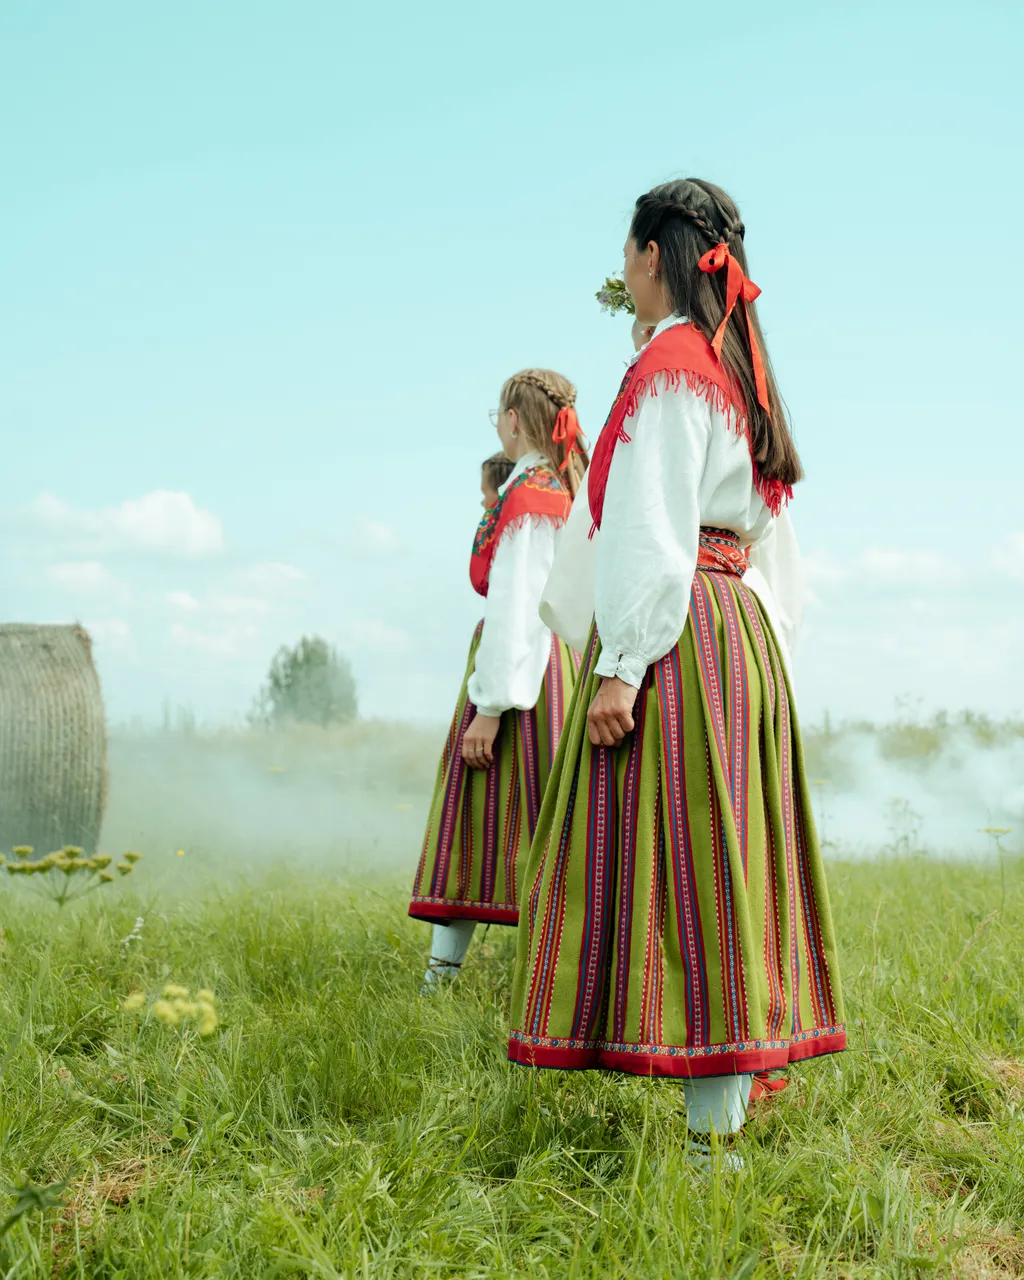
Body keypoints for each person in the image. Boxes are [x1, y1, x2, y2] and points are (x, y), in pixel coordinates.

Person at [508, 180, 845, 1160]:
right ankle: (723, 1121)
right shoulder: (739, 369)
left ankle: (711, 1149)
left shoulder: (671, 365)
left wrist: (619, 663)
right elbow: (773, 540)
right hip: (734, 628)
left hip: (679, 627)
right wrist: (764, 649)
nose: (621, 269)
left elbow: (651, 526)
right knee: (726, 862)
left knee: (686, 866)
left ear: (655, 253)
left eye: (625, 251)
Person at [410, 371, 588, 990]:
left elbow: (520, 605)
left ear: (515, 417)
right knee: (538, 825)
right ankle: (540, 979)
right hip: (552, 669)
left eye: (497, 413)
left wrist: (491, 705)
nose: (496, 424)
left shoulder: (532, 495)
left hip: (524, 676)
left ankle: (446, 984)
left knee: (478, 821)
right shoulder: (557, 485)